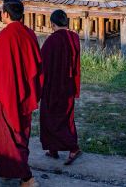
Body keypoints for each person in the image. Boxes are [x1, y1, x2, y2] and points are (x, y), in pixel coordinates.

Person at [0, 0, 43, 187]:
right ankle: (9, 169)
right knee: (22, 133)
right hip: (26, 93)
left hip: (7, 94)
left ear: (5, 14)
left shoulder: (4, 37)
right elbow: (36, 64)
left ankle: (27, 177)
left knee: (10, 135)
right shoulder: (29, 34)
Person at [39, 9, 81, 165]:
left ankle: (73, 148)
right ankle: (53, 149)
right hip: (69, 85)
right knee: (66, 117)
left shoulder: (52, 41)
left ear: (52, 24)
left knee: (51, 117)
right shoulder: (74, 38)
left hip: (53, 86)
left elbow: (42, 64)